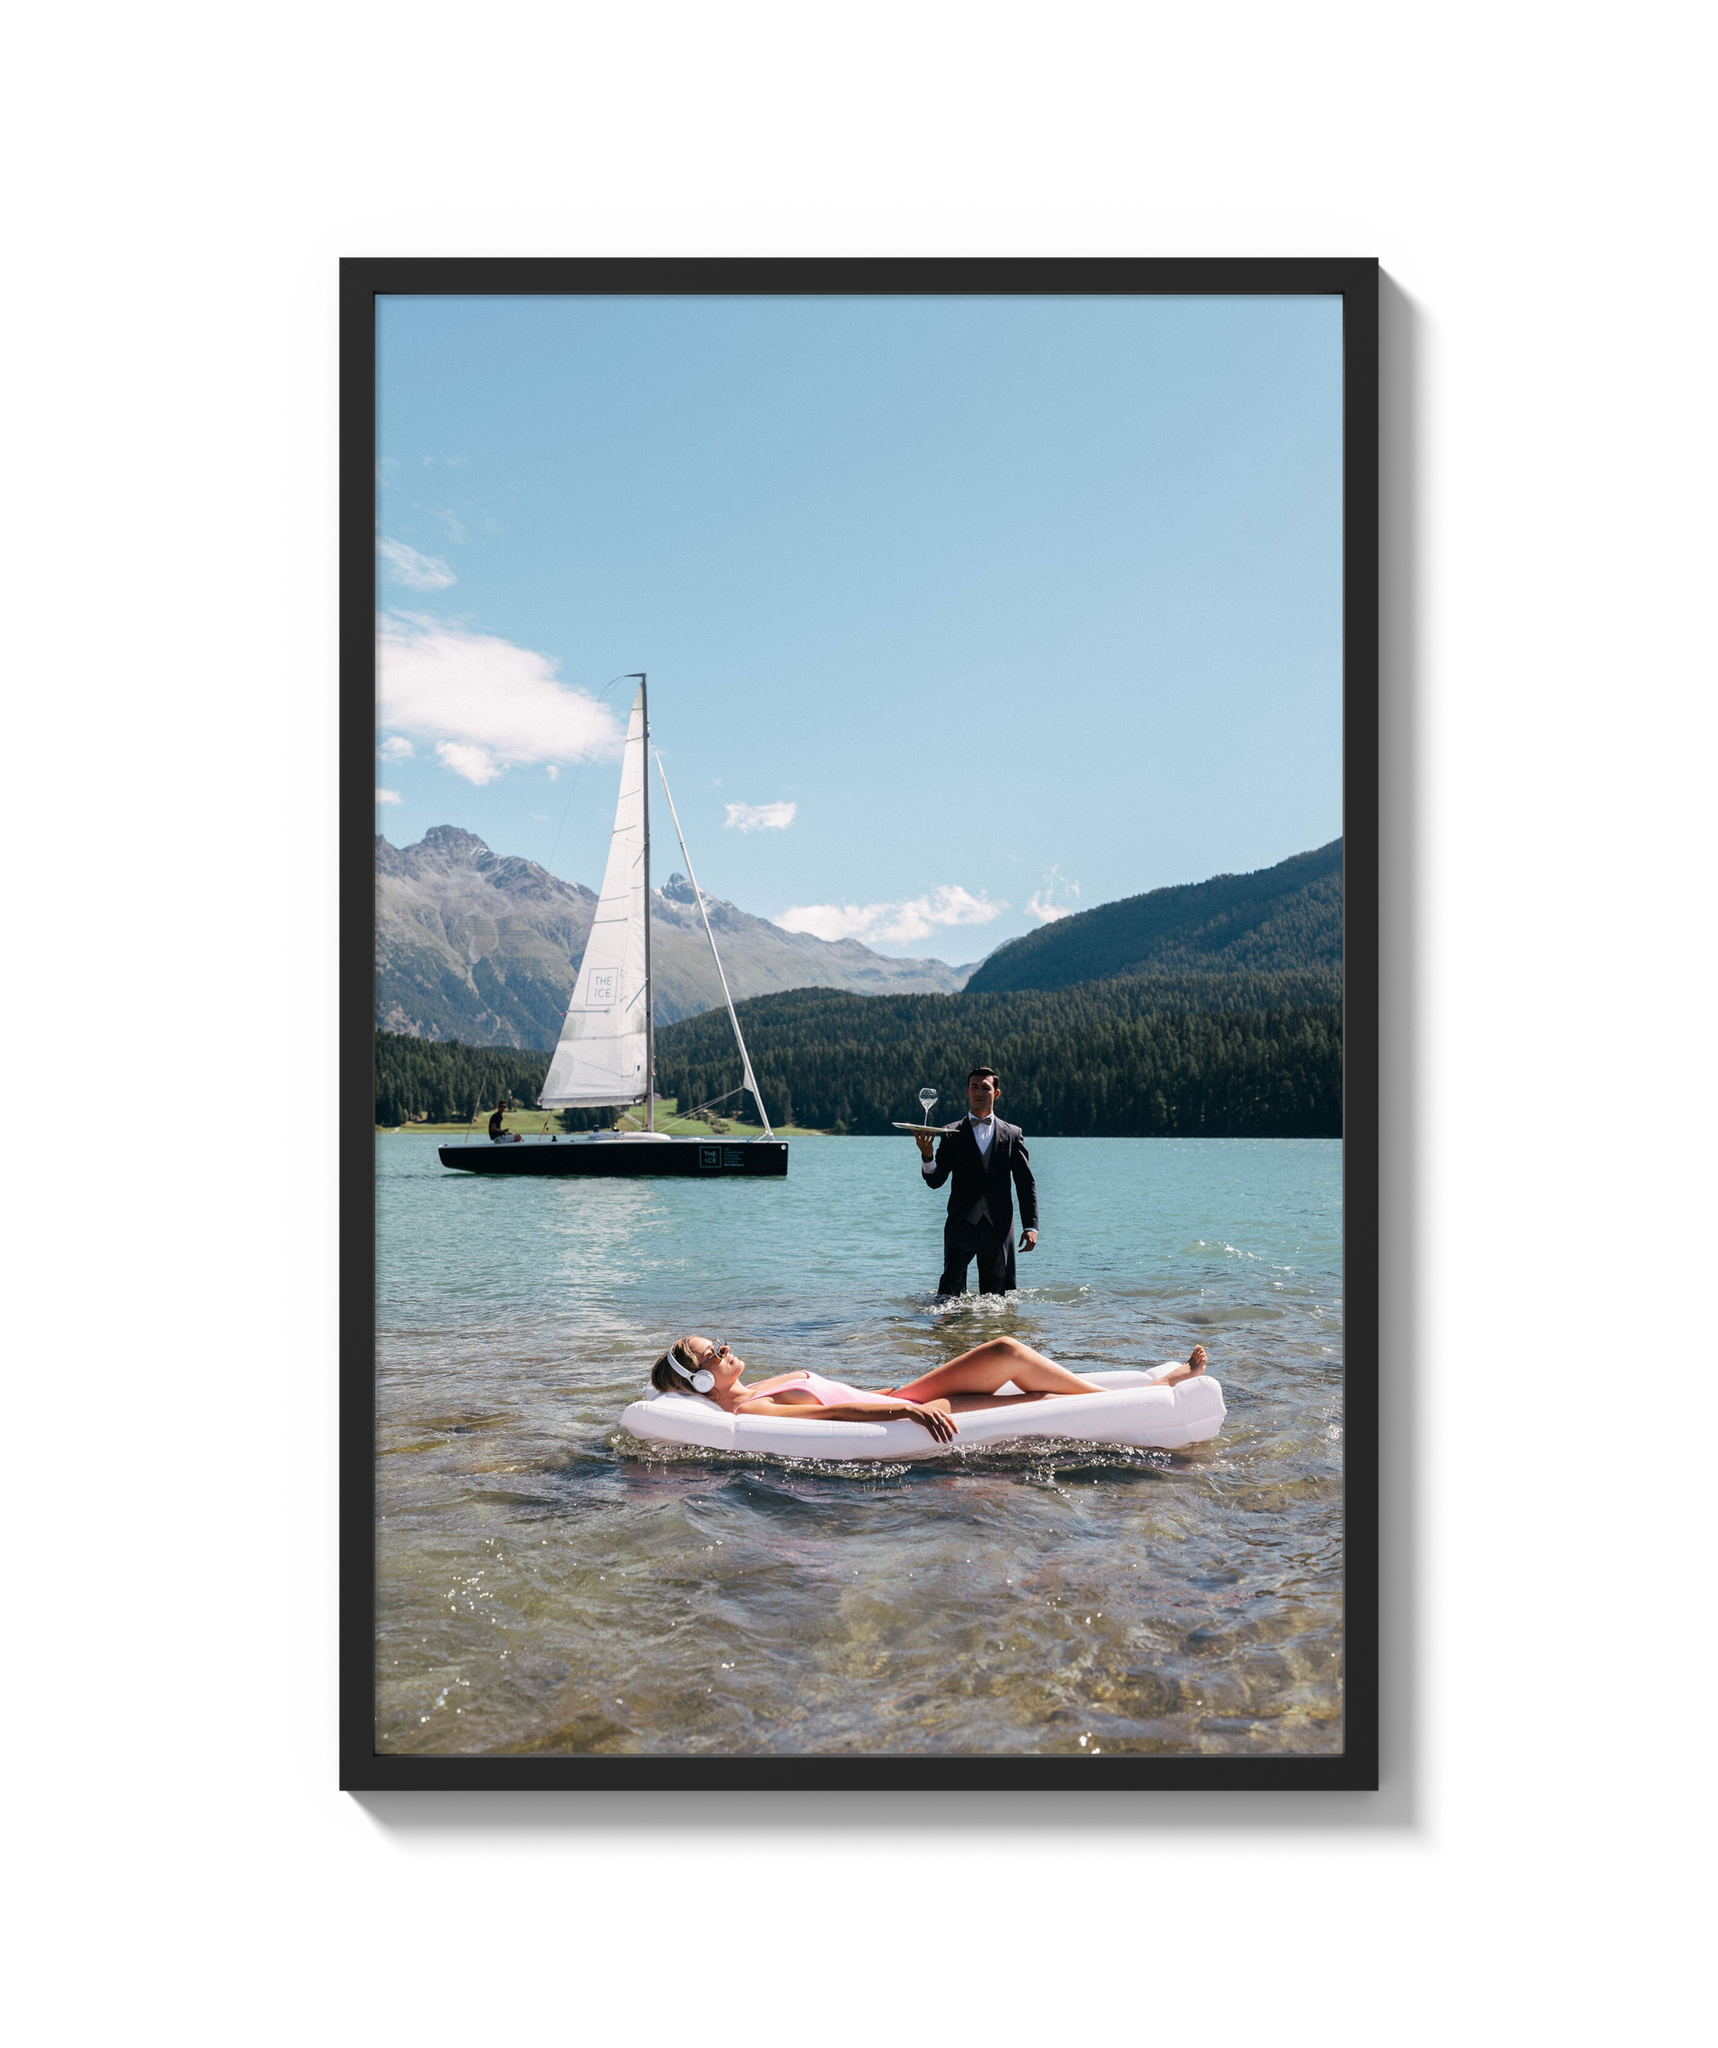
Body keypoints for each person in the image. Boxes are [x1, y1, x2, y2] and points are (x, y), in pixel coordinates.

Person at [650, 1334, 1209, 1444]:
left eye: (717, 1342)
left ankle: (1150, 1383)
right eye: (711, 1353)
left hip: (902, 1393)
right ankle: (1154, 1389)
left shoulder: (755, 1384)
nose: (724, 1348)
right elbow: (831, 1417)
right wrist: (908, 1414)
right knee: (1009, 1358)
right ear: (700, 1379)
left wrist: (893, 1393)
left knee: (1012, 1366)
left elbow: (837, 1390)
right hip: (907, 1408)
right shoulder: (753, 1407)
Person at [915, 1066, 1038, 1297]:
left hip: (998, 1227)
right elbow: (935, 1181)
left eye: (985, 1088)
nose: (979, 1092)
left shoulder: (1012, 1134)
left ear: (996, 1093)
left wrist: (1031, 1226)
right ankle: (949, 1333)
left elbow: (1025, 1183)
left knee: (996, 1300)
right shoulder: (950, 1132)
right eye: (974, 1087)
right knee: (948, 1297)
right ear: (967, 1092)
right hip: (961, 1225)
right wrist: (927, 1155)